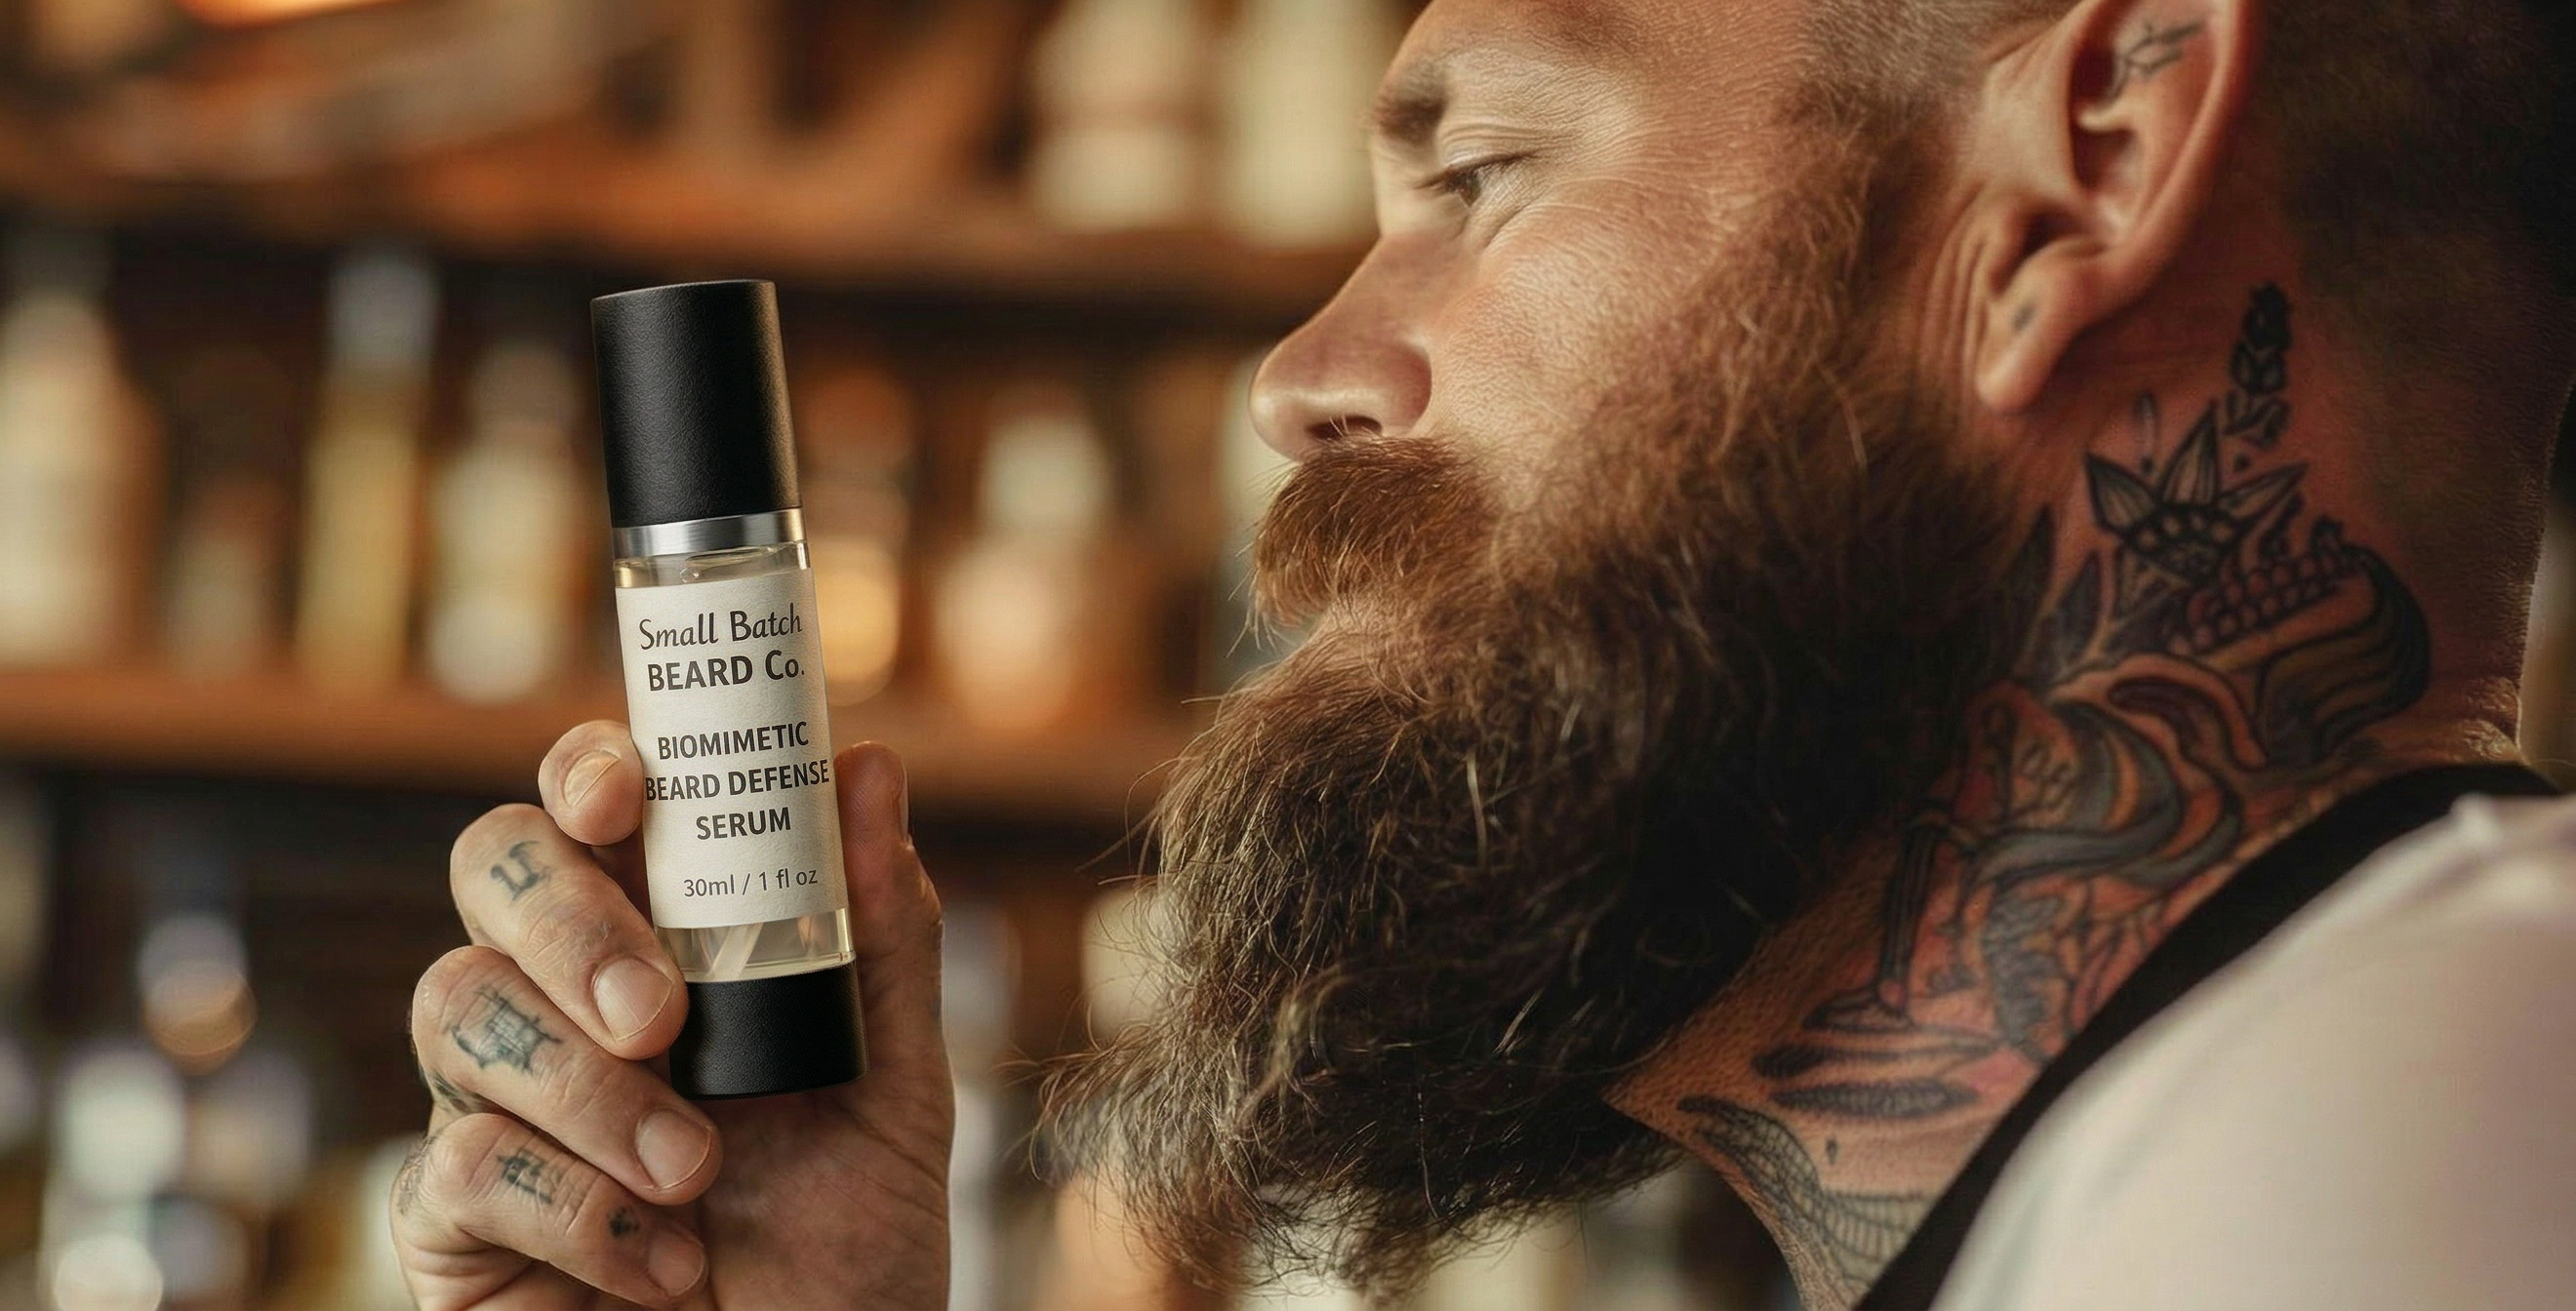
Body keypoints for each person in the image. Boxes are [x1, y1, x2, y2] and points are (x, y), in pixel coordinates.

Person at [387, 0, 2576, 1305]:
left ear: (2091, 164)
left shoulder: (2414, 1145)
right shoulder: (2250, 1138)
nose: (1303, 378)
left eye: (1490, 170)